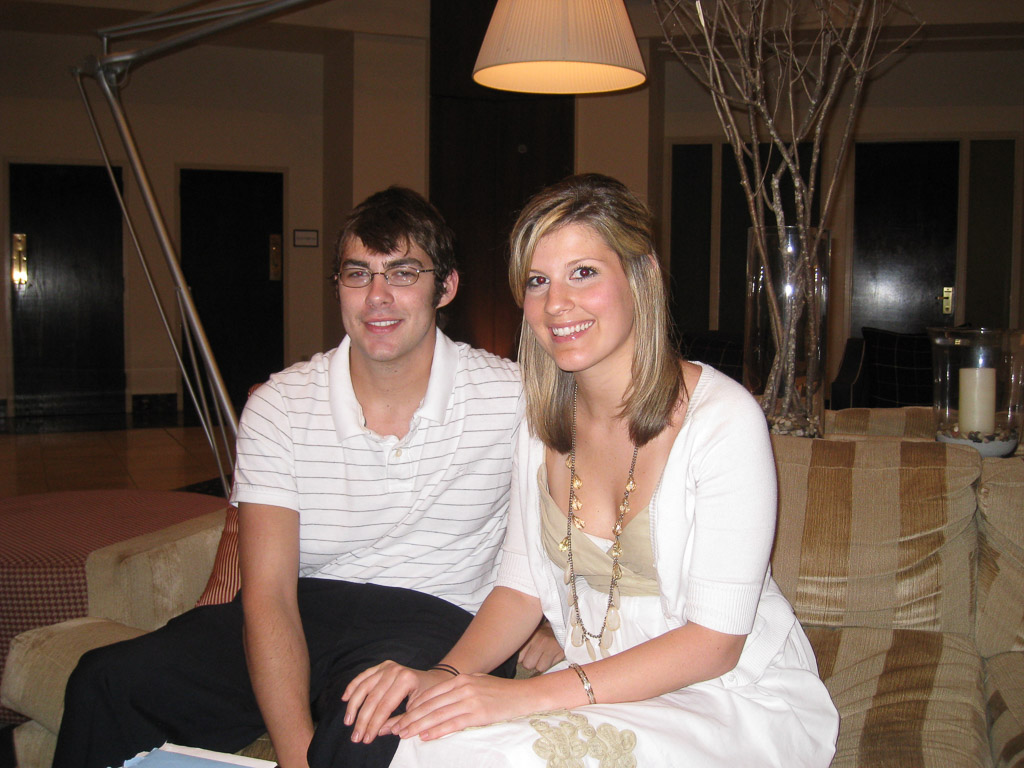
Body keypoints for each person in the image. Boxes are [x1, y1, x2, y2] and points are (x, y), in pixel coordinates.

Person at [53, 186, 562, 768]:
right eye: (357, 274)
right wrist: (296, 753)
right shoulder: (281, 405)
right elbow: (269, 593)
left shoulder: (513, 398)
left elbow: (569, 528)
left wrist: (553, 625)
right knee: (106, 680)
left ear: (445, 287)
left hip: (435, 616)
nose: (377, 296)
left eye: (402, 273)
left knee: (369, 729)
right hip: (306, 607)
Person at [342, 174, 840, 766]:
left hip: (725, 696)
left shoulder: (723, 420)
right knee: (424, 740)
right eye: (538, 281)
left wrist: (524, 696)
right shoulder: (540, 424)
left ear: (641, 275)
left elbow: (715, 644)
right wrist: (444, 676)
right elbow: (520, 587)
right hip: (599, 688)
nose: (556, 304)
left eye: (583, 272)